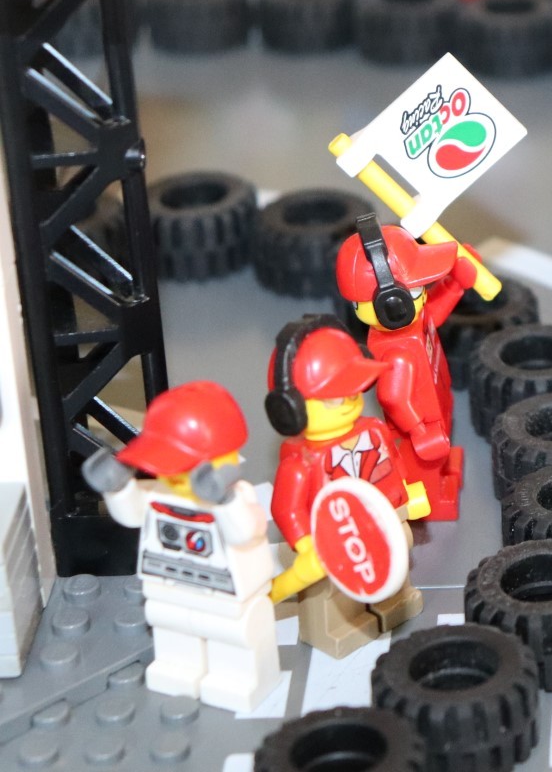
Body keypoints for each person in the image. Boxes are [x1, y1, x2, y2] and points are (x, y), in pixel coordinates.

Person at [82, 381, 280, 714]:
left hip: (225, 593)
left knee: (232, 633)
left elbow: (246, 532)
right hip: (170, 586)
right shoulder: (158, 493)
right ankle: (178, 668)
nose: (171, 476)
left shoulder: (235, 499)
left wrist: (224, 500)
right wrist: (117, 489)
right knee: (172, 627)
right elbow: (132, 513)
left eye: (181, 467)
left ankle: (237, 677)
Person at [266, 318, 428, 658]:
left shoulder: (372, 430)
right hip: (333, 533)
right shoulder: (302, 461)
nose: (349, 403)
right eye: (333, 399)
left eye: (354, 393)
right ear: (290, 409)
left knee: (397, 553)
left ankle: (392, 601)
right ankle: (340, 624)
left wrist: (406, 493)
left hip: (387, 513)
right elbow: (286, 508)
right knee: (332, 585)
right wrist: (306, 544)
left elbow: (392, 462)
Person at [335, 214, 478, 521]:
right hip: (420, 423)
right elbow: (393, 398)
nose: (423, 292)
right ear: (392, 303)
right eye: (414, 291)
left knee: (442, 448)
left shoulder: (410, 324)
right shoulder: (396, 352)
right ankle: (434, 498)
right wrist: (420, 432)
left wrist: (455, 286)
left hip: (435, 401)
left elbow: (431, 317)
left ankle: (444, 472)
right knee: (423, 466)